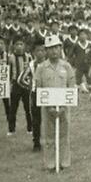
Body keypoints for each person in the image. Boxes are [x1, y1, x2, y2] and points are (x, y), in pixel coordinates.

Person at [34, 35, 75, 171]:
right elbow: (39, 89)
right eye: (50, 48)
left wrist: (63, 106)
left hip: (64, 107)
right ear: (46, 50)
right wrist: (49, 107)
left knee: (64, 135)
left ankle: (64, 163)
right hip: (47, 108)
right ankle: (50, 164)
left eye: (56, 48)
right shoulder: (41, 68)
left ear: (60, 48)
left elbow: (71, 87)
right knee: (49, 136)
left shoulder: (66, 66)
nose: (53, 51)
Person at [7, 36, 33, 136]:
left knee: (28, 107)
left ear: (24, 46)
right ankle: (11, 129)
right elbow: (8, 71)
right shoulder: (11, 57)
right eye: (17, 44)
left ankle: (30, 128)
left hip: (26, 85)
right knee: (13, 108)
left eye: (21, 44)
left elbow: (31, 71)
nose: (19, 46)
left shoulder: (29, 57)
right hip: (15, 85)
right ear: (13, 46)